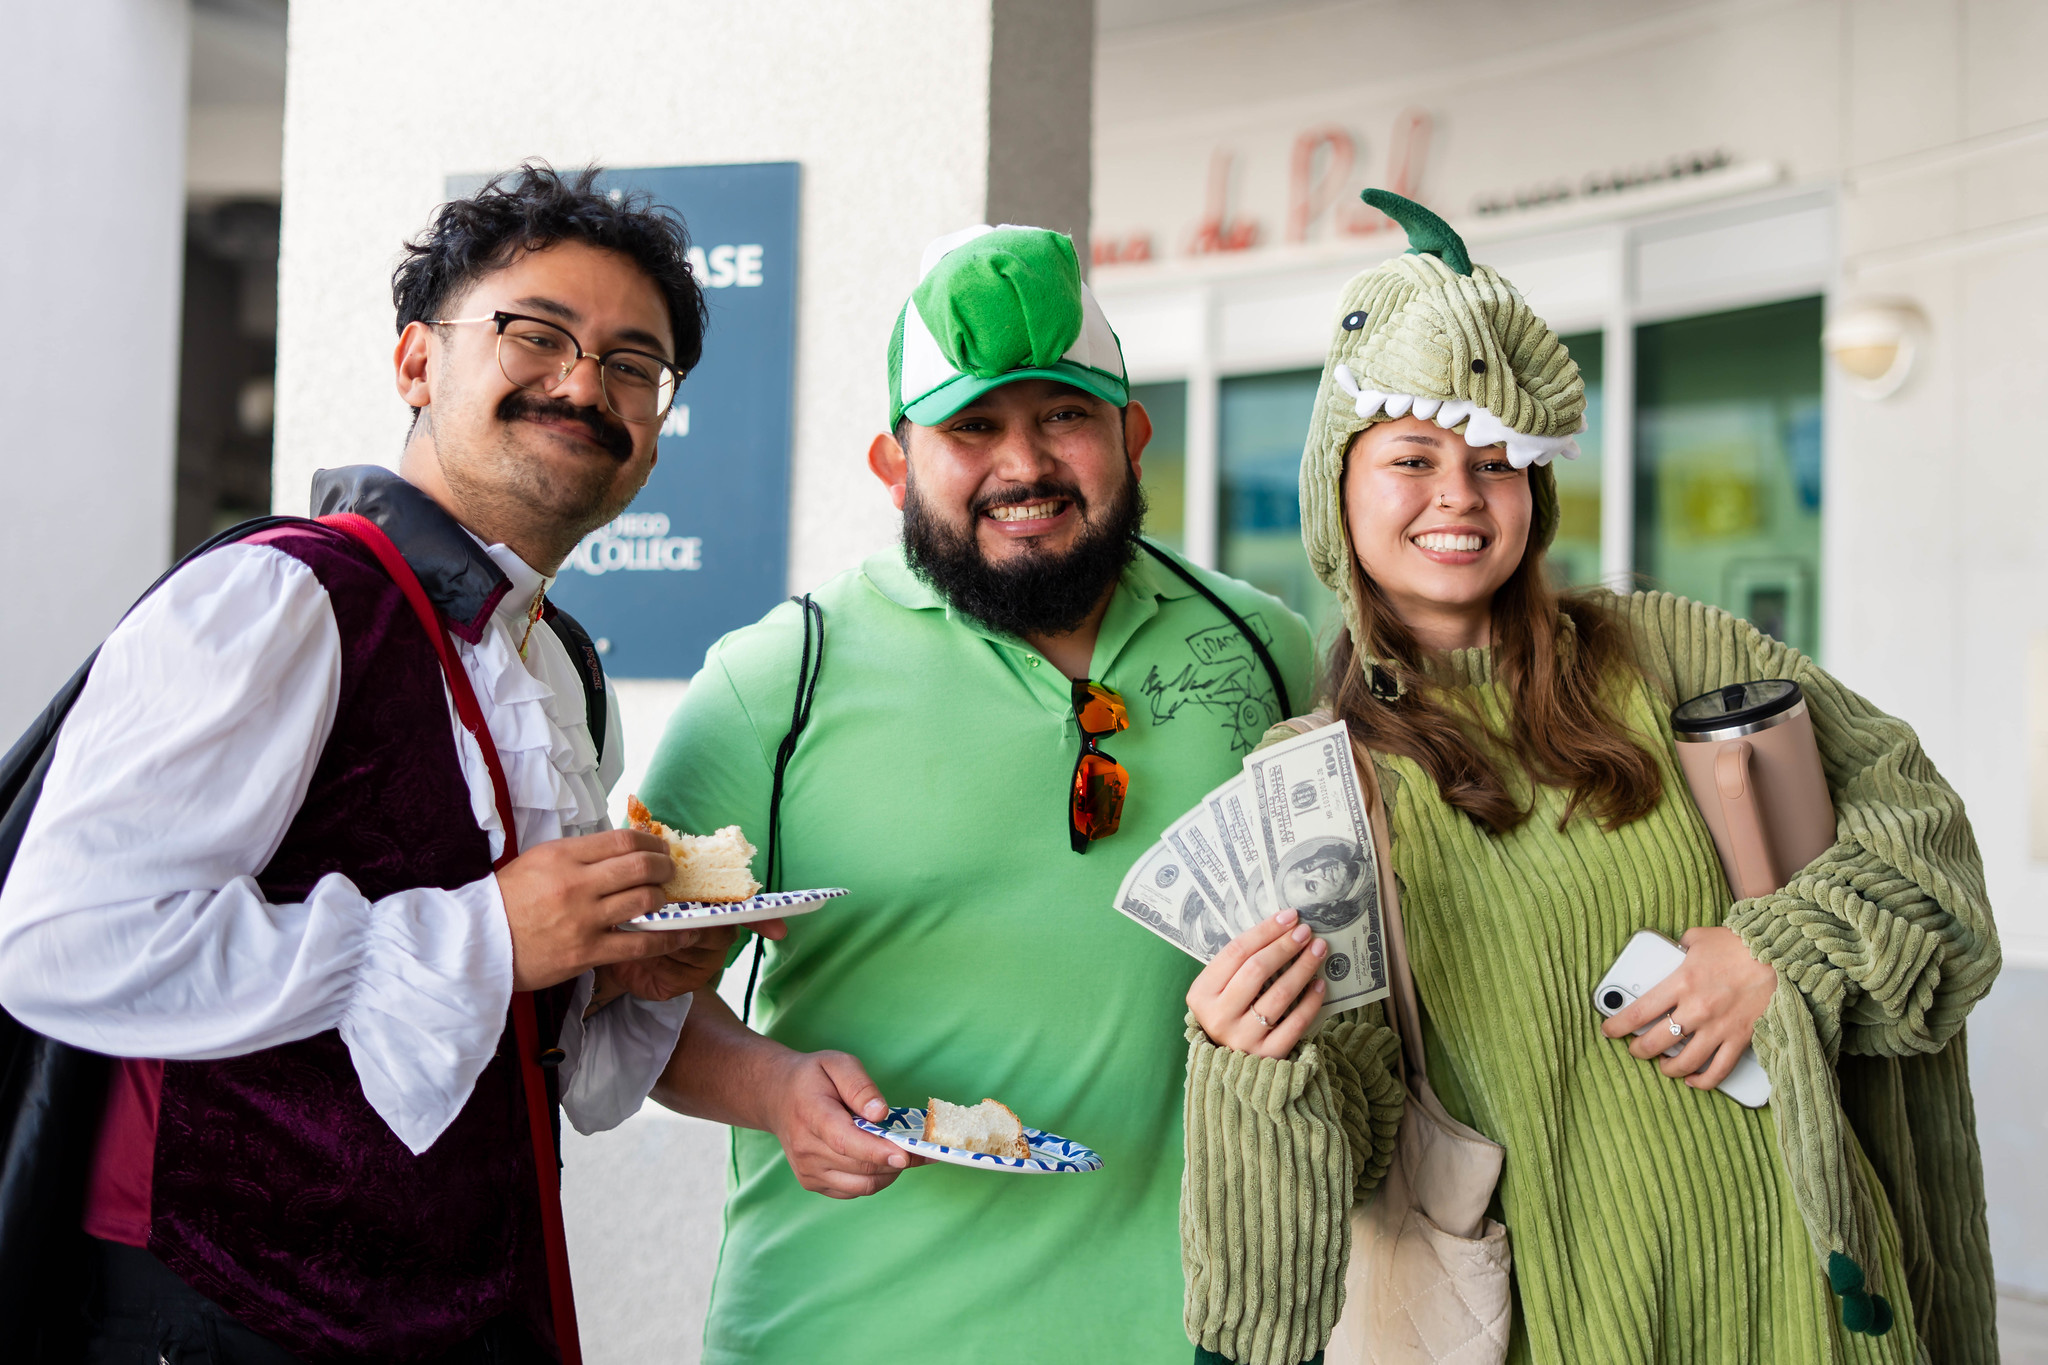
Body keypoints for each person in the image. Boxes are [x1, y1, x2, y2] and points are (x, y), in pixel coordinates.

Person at [1178, 190, 2000, 1365]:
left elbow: (1922, 838)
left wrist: (1778, 952)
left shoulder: (1675, 653)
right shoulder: (1314, 783)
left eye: (1496, 461)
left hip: (1801, 1296)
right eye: (1411, 457)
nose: (1458, 495)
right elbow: (1354, 1139)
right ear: (1335, 489)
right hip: (1572, 1322)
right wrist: (1254, 1057)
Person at [0, 164, 766, 1362]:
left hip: (459, 1308)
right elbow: (64, 945)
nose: (584, 384)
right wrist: (490, 935)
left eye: (632, 365)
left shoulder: (554, 663)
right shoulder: (277, 598)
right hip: (219, 1318)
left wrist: (610, 976)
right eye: (536, 333)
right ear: (416, 362)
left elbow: (487, 1022)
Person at [638, 223, 1316, 1364]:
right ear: (893, 463)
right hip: (841, 1332)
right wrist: (772, 1090)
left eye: (1063, 415)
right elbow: (627, 1001)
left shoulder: (1267, 649)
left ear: (1131, 436)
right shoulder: (775, 683)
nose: (1025, 464)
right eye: (972, 427)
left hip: (1188, 1333)